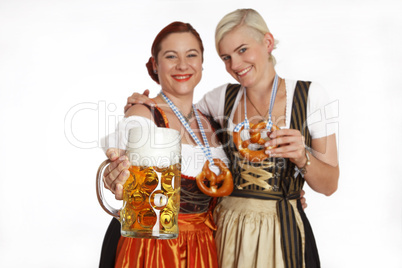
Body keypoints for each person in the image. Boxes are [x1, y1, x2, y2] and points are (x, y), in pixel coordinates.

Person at [121, 8, 339, 268]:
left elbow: (330, 185)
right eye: (226, 57)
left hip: (283, 229)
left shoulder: (310, 96)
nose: (235, 65)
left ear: (267, 42)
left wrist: (303, 159)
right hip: (223, 232)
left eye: (243, 50)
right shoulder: (220, 99)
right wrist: (143, 106)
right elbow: (179, 116)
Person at [98, 21, 230, 268]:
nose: (183, 65)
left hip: (206, 246)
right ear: (156, 65)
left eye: (192, 55)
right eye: (171, 56)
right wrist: (114, 176)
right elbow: (121, 171)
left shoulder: (212, 120)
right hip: (153, 246)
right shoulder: (143, 113)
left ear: (202, 63)